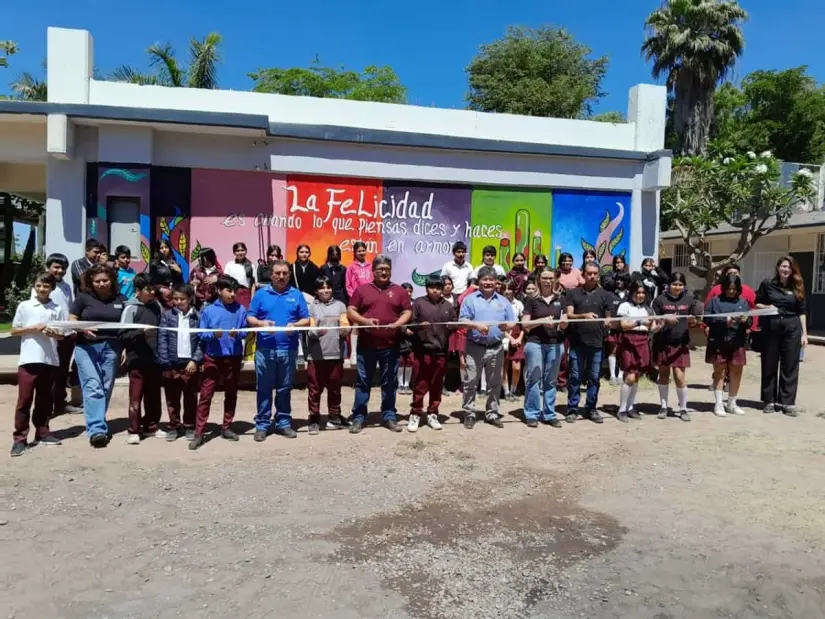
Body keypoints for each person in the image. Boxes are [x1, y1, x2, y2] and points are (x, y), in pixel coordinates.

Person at [347, 255, 413, 434]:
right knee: (363, 382)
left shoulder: (399, 291)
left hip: (391, 346)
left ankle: (389, 415)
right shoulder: (362, 290)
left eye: (387, 269)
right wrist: (365, 321)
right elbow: (351, 310)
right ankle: (359, 416)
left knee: (389, 382)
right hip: (366, 346)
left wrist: (399, 323)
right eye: (380, 269)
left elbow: (407, 311)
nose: (384, 272)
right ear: (373, 271)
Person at [247, 260, 311, 441]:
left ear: (289, 275)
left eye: (285, 273)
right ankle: (262, 424)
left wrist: (295, 324)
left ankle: (283, 422)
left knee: (285, 388)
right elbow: (250, 317)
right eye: (278, 273)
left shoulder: (296, 294)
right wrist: (261, 323)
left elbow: (306, 319)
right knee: (264, 388)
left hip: (288, 350)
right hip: (265, 350)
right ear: (271, 275)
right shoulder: (261, 294)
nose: (281, 276)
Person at [69, 264, 126, 448]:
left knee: (106, 387)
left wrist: (124, 347)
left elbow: (126, 326)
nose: (101, 284)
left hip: (112, 347)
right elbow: (72, 319)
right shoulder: (83, 298)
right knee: (93, 386)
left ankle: (97, 420)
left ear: (112, 281)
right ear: (91, 282)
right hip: (86, 347)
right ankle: (97, 430)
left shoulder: (121, 299)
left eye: (105, 280)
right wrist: (81, 328)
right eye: (97, 281)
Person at [11, 272, 66, 456]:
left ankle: (42, 432)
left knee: (45, 399)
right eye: (39, 286)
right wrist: (31, 329)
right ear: (34, 286)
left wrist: (54, 334)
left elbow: (61, 334)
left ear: (52, 288)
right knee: (24, 400)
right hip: (29, 359)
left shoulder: (56, 308)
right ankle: (19, 439)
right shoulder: (25, 306)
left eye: (46, 286)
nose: (42, 289)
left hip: (49, 359)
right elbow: (14, 330)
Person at [191, 275, 247, 450]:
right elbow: (201, 333)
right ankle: (199, 433)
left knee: (231, 393)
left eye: (234, 291)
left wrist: (238, 333)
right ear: (219, 291)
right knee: (206, 395)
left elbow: (246, 331)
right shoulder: (208, 310)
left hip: (233, 357)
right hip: (213, 357)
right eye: (228, 291)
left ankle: (227, 427)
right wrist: (211, 335)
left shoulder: (240, 309)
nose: (232, 295)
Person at [459, 265, 515, 429]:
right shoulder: (470, 299)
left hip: (496, 347)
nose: (488, 282)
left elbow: (512, 320)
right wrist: (476, 326)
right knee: (470, 383)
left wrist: (507, 326)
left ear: (496, 282)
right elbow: (462, 321)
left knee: (494, 383)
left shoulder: (503, 301)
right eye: (485, 279)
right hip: (474, 347)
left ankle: (492, 413)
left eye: (491, 279)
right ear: (479, 281)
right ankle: (469, 413)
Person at [756, 255, 808, 416]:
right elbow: (757, 303)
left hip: (792, 328)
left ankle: (787, 403)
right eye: (783, 266)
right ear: (778, 268)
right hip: (771, 327)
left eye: (789, 267)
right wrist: (767, 306)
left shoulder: (798, 286)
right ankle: (769, 401)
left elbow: (802, 312)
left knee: (790, 365)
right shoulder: (767, 284)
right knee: (769, 363)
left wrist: (804, 334)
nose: (786, 270)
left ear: (793, 270)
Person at [564, 262, 615, 424]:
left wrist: (608, 323)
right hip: (577, 342)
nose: (592, 276)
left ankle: (591, 408)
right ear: (583, 275)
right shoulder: (573, 294)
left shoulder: (605, 295)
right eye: (589, 273)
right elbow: (569, 315)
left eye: (595, 273)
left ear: (598, 275)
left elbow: (608, 317)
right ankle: (572, 409)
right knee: (575, 378)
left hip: (597, 344)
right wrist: (584, 316)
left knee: (594, 378)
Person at [407, 275, 455, 432]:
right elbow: (411, 323)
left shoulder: (447, 305)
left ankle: (433, 413)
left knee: (437, 384)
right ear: (426, 288)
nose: (435, 290)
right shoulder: (419, 303)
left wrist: (451, 327)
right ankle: (415, 413)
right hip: (422, 351)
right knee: (420, 383)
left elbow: (453, 325)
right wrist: (420, 326)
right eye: (432, 287)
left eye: (438, 287)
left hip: (441, 351)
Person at [120, 274, 164, 444]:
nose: (152, 292)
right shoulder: (130, 308)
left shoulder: (156, 307)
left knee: (153, 396)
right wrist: (141, 332)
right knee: (136, 397)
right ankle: (134, 430)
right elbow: (122, 334)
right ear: (137, 291)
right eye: (148, 289)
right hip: (136, 359)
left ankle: (151, 427)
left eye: (153, 289)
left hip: (154, 359)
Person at [521, 267, 566, 428]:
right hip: (535, 343)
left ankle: (549, 414)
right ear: (539, 279)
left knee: (551, 381)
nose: (547, 281)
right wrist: (541, 320)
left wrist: (563, 323)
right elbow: (525, 324)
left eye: (550, 278)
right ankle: (532, 414)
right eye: (544, 278)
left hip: (555, 344)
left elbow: (565, 319)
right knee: (534, 379)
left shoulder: (561, 299)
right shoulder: (532, 300)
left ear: (555, 279)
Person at [31, 253, 75, 415]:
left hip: (66, 335)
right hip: (49, 335)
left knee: (62, 371)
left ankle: (60, 403)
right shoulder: (42, 287)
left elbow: (69, 309)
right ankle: (47, 406)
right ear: (48, 267)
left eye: (63, 268)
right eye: (56, 267)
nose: (60, 271)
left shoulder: (66, 286)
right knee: (49, 372)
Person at [305, 275, 351, 434]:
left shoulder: (340, 306)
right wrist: (316, 332)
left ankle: (335, 417)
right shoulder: (311, 307)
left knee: (335, 389)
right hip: (316, 356)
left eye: (328, 287)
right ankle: (313, 419)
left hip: (336, 355)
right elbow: (309, 330)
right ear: (316, 291)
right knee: (315, 390)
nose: (326, 290)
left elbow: (345, 325)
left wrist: (347, 330)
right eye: (322, 288)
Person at [157, 283, 202, 442]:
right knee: (172, 398)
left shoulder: (197, 316)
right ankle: (174, 426)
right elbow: (162, 339)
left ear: (190, 299)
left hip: (189, 365)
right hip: (171, 363)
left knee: (190, 397)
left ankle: (189, 426)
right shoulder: (167, 315)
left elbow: (201, 342)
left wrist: (195, 360)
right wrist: (165, 362)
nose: (178, 302)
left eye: (182, 299)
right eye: (175, 298)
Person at [652, 272, 699, 421]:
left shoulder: (690, 300)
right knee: (664, 375)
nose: (677, 287)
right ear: (668, 285)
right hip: (663, 342)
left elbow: (695, 321)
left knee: (679, 376)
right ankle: (664, 407)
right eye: (674, 284)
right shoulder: (659, 300)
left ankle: (683, 408)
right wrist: (666, 319)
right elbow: (655, 321)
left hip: (681, 343)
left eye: (680, 284)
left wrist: (693, 321)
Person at [704, 272, 751, 417]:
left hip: (737, 342)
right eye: (729, 288)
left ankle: (732, 403)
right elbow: (706, 318)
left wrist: (745, 320)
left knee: (736, 372)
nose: (731, 291)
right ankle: (718, 404)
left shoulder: (743, 302)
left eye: (734, 289)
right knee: (720, 372)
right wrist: (724, 320)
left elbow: (750, 321)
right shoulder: (715, 301)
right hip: (719, 341)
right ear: (724, 287)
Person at [616, 280, 660, 422]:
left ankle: (630, 407)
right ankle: (622, 409)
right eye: (638, 292)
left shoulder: (648, 309)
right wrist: (639, 322)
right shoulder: (625, 306)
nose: (640, 295)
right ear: (632, 292)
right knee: (630, 375)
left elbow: (651, 328)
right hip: (629, 340)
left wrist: (661, 325)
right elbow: (623, 325)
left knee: (637, 376)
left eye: (643, 293)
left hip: (643, 341)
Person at [344, 241, 373, 364]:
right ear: (355, 253)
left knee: (370, 326)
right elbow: (348, 285)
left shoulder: (371, 266)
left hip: (369, 301)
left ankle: (371, 353)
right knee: (356, 326)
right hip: (356, 302)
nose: (361, 252)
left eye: (363, 250)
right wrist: (356, 299)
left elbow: (373, 284)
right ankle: (354, 353)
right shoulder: (351, 267)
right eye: (359, 251)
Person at [605, 272, 630, 386]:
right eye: (617, 280)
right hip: (613, 328)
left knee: (623, 351)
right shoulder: (610, 295)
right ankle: (612, 376)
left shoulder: (630, 296)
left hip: (626, 328)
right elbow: (607, 311)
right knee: (613, 350)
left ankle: (620, 375)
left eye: (621, 280)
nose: (619, 282)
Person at [502, 279, 524, 402]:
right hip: (503, 334)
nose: (507, 292)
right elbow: (498, 325)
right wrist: (509, 337)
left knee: (516, 367)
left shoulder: (519, 304)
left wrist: (519, 338)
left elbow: (523, 324)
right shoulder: (498, 304)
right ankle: (505, 391)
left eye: (509, 289)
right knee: (503, 366)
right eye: (504, 289)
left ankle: (513, 390)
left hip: (517, 335)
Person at [224, 242, 255, 308]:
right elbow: (225, 282)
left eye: (242, 250)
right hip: (232, 293)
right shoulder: (229, 265)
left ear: (246, 251)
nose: (240, 252)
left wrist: (252, 298)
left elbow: (253, 284)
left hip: (245, 295)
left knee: (244, 315)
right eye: (237, 251)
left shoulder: (251, 266)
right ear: (234, 252)